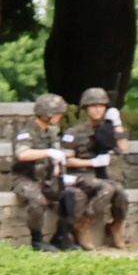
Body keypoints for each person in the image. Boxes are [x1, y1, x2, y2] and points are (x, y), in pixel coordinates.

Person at [60, 86, 124, 246]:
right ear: (85, 108)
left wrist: (117, 123)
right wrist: (92, 162)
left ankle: (115, 227)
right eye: (93, 106)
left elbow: (124, 148)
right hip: (80, 174)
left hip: (101, 173)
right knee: (106, 189)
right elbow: (67, 160)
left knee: (120, 193)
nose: (97, 110)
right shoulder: (74, 132)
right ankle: (84, 225)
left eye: (101, 106)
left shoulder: (109, 129)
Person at [9, 91, 73, 249]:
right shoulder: (27, 133)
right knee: (38, 201)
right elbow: (23, 154)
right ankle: (37, 239)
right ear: (47, 114)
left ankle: (62, 235)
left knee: (72, 196)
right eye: (57, 114)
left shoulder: (50, 133)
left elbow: (58, 155)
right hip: (25, 178)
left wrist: (59, 170)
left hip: (46, 178)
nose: (59, 117)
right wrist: (48, 152)